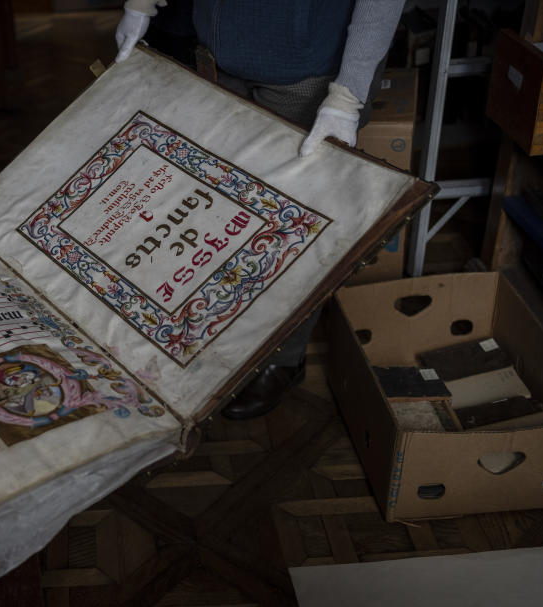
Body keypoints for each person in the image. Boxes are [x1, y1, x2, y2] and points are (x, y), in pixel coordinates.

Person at [115, 0, 404, 419]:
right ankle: (219, 341)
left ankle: (282, 359)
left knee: (293, 224)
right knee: (218, 210)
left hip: (307, 71)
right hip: (218, 50)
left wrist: (348, 93)